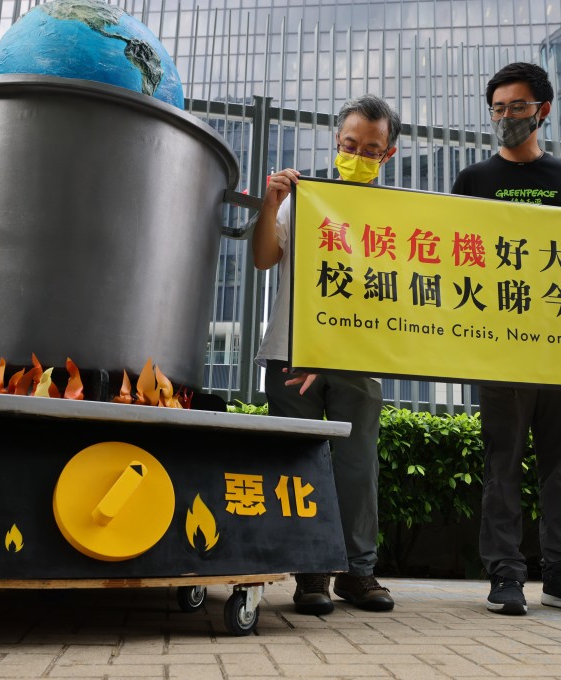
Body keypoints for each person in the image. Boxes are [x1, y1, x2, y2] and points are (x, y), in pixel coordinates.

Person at [451, 62, 561, 617]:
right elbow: (456, 257)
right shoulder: (473, 180)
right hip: (500, 345)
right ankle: (505, 576)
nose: (506, 117)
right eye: (497, 108)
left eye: (517, 107)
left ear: (543, 110)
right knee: (503, 460)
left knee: (559, 462)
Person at [252, 94, 399, 615]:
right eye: (349, 144)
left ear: (389, 153)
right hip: (291, 352)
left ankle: (359, 572)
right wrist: (270, 202)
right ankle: (310, 572)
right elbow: (264, 258)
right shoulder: (304, 198)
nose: (357, 153)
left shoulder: (399, 215)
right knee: (299, 463)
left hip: (359, 356)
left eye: (370, 148)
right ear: (337, 142)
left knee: (357, 466)